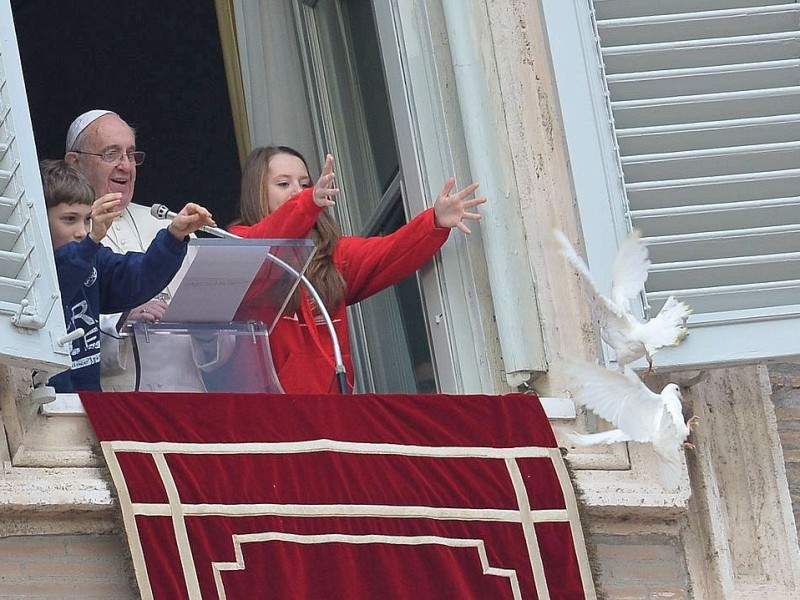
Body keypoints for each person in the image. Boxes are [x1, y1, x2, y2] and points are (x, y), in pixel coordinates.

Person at [229, 145, 486, 394]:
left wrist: (434, 222)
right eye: (284, 184)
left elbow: (391, 252)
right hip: (269, 417)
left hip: (331, 414)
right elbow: (264, 243)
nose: (298, 192)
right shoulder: (239, 243)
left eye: (305, 184)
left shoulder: (332, 254)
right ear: (258, 193)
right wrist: (308, 203)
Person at [40, 159, 216, 393]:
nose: (82, 231)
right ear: (39, 219)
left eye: (87, 220)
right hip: (40, 406)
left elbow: (137, 278)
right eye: (70, 219)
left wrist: (174, 236)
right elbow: (60, 285)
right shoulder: (28, 267)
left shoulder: (94, 258)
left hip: (87, 404)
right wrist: (92, 242)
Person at [64, 109, 206, 391]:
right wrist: (120, 320)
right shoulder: (62, 231)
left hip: (190, 396)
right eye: (111, 154)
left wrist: (212, 333)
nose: (126, 166)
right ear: (75, 163)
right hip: (116, 406)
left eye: (131, 155)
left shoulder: (166, 223)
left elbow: (215, 340)